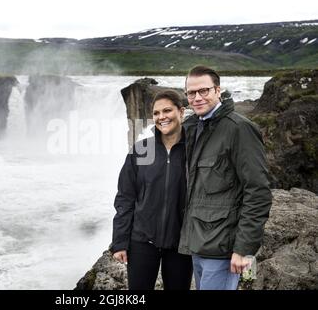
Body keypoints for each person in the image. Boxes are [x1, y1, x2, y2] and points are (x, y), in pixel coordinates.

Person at [178, 65, 272, 290]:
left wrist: (243, 249)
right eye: (191, 93)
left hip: (223, 248)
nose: (197, 98)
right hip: (198, 244)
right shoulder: (193, 127)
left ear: (218, 90)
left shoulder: (239, 129)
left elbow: (258, 191)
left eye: (204, 91)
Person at [110, 90, 193, 290]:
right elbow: (125, 198)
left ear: (181, 112)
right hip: (142, 242)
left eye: (167, 110)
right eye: (156, 113)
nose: (161, 117)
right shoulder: (141, 151)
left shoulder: (195, 150)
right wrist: (120, 241)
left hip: (181, 244)